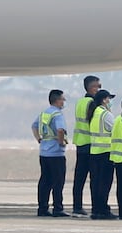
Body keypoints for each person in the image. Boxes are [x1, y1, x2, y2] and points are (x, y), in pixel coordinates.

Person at [32, 89, 68, 217]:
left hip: (44, 152)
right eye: (63, 99)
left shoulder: (44, 113)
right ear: (57, 100)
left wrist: (38, 139)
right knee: (58, 181)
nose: (64, 101)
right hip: (56, 154)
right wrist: (61, 142)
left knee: (45, 181)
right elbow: (60, 130)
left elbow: (34, 126)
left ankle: (42, 208)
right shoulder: (57, 114)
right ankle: (58, 208)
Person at [71, 74, 102, 215]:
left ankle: (77, 206)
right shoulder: (92, 104)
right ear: (92, 88)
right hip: (90, 144)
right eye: (98, 86)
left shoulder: (80, 102)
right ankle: (96, 206)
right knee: (94, 178)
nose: (100, 89)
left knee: (79, 178)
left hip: (80, 143)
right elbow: (94, 123)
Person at [88, 89, 117, 219]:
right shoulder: (105, 114)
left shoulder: (94, 113)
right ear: (104, 99)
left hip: (94, 152)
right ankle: (103, 210)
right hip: (106, 153)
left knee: (95, 183)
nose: (110, 102)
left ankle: (96, 209)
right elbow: (116, 130)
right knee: (105, 183)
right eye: (109, 99)